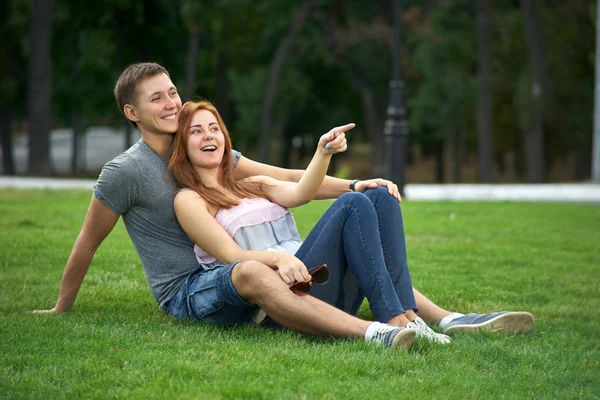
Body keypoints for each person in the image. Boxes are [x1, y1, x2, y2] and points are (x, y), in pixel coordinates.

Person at [34, 62, 534, 341]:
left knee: (361, 211)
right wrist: (62, 307)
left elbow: (290, 182)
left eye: (172, 93)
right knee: (263, 266)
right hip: (191, 286)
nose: (170, 104)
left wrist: (358, 184)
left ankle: (438, 319)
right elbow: (87, 240)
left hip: (252, 268)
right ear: (131, 112)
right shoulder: (126, 173)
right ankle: (382, 329)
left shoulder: (216, 156)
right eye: (156, 99)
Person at [169, 100, 453, 344]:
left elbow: (301, 191)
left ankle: (409, 316)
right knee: (352, 203)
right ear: (183, 145)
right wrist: (279, 259)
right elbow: (232, 256)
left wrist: (323, 153)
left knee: (380, 195)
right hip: (289, 296)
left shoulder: (252, 183)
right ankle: (393, 320)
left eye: (214, 128)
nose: (209, 136)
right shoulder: (189, 200)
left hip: (318, 277)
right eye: (196, 131)